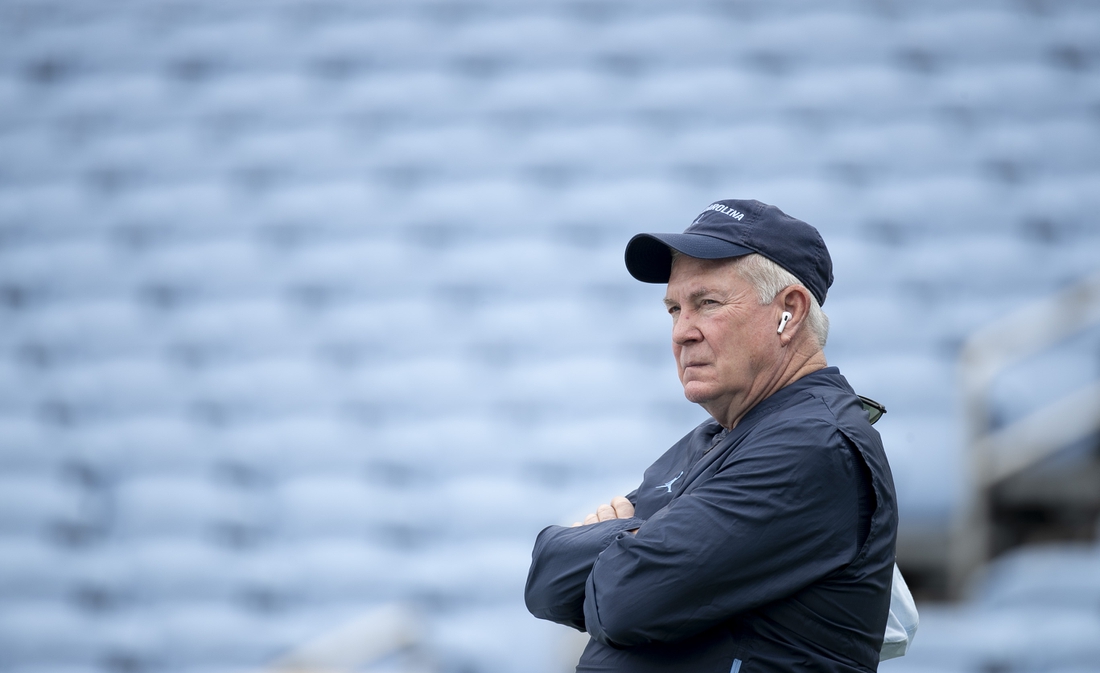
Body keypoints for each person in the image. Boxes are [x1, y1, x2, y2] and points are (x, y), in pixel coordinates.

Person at [524, 199, 898, 672]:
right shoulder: (720, 435)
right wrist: (634, 542)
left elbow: (624, 598)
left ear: (789, 311)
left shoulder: (812, 445)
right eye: (674, 309)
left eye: (707, 303)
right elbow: (547, 580)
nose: (682, 332)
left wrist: (616, 539)